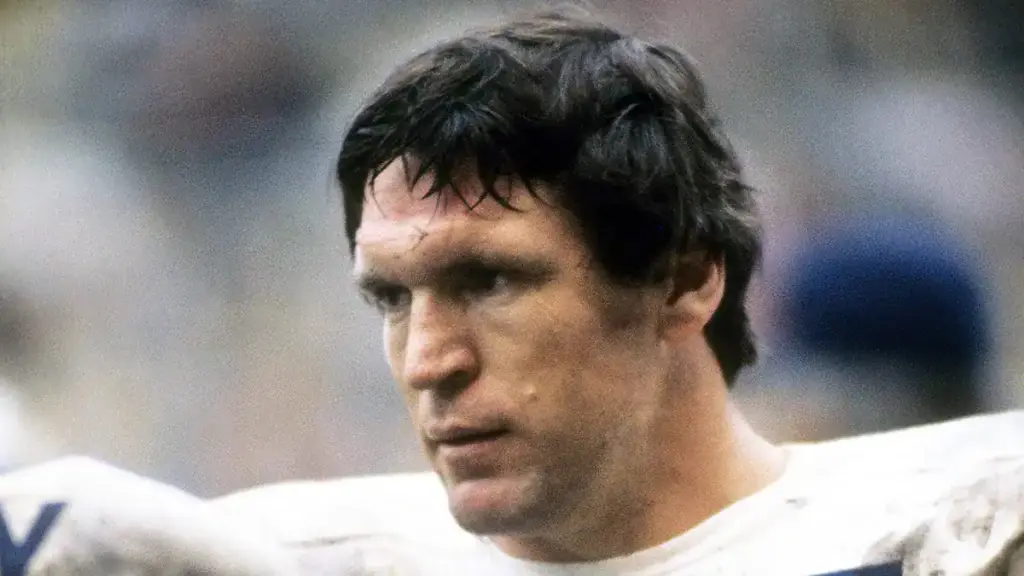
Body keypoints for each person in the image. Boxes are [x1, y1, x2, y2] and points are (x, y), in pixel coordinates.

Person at [1, 8, 1022, 575]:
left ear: (682, 278)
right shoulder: (275, 555)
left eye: (487, 280)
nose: (426, 358)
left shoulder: (952, 531)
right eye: (390, 299)